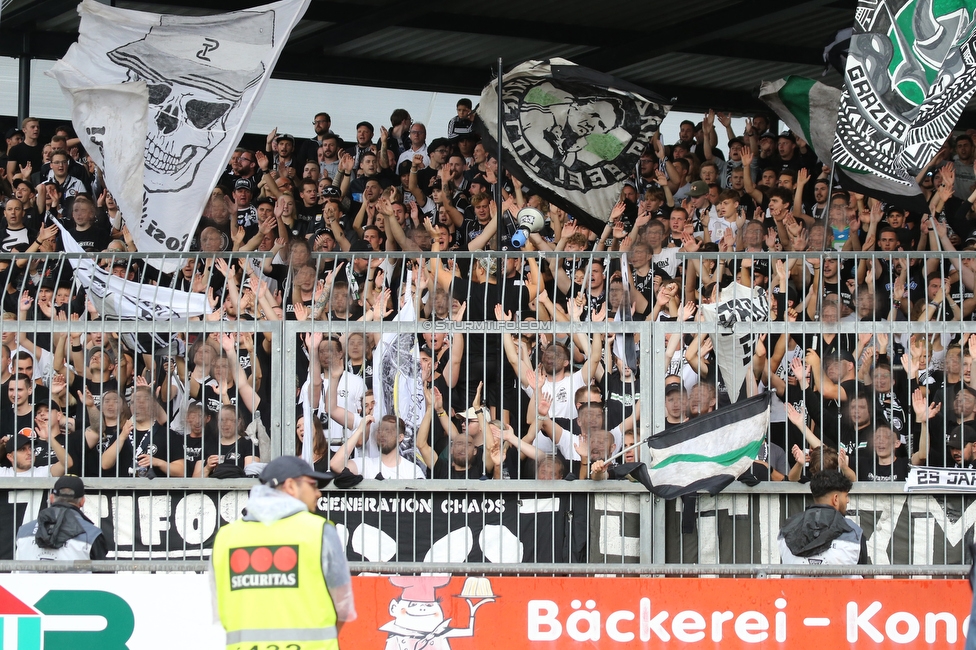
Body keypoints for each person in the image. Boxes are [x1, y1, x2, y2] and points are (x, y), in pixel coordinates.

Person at [211, 456, 356, 649]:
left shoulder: (225, 538)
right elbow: (343, 607)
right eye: (312, 485)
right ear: (290, 486)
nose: (318, 493)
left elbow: (221, 611)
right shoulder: (319, 531)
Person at [778, 471, 868, 566]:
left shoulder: (786, 529)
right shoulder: (854, 532)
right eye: (846, 496)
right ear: (835, 499)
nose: (848, 500)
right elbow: (866, 577)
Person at [15, 475, 108, 561]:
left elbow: (15, 571)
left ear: (51, 498)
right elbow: (103, 574)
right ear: (82, 501)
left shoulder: (23, 531)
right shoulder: (92, 534)